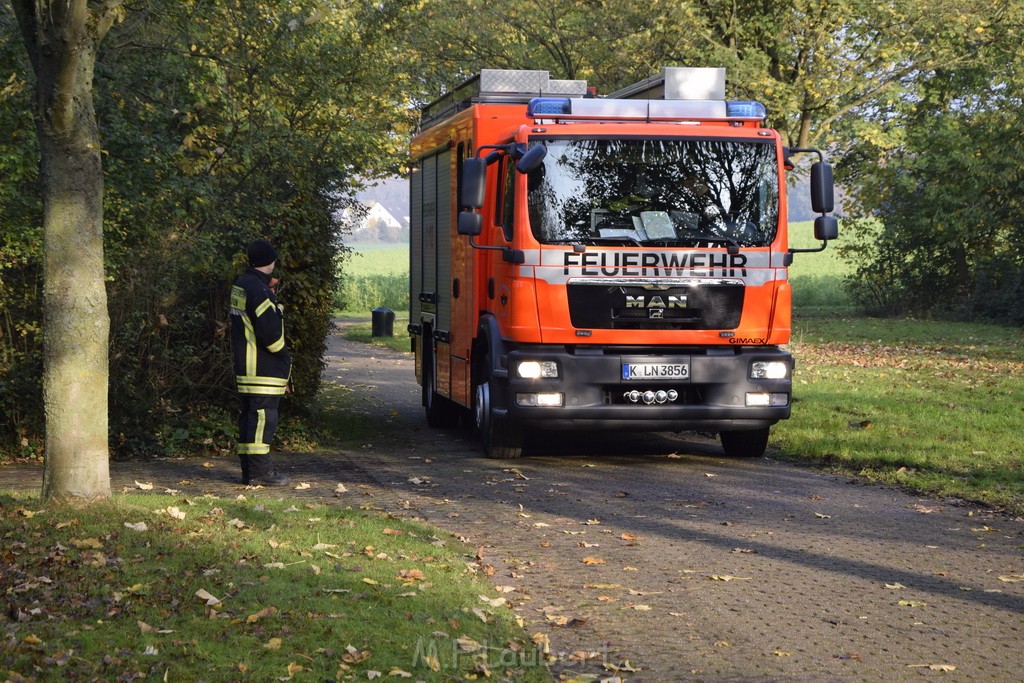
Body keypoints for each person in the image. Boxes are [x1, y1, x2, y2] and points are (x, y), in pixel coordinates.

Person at [229, 239, 291, 486]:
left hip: (247, 365)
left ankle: (250, 471)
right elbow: (270, 334)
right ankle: (259, 474)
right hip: (263, 368)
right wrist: (283, 356)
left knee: (250, 419)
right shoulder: (259, 290)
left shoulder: (242, 284)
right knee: (263, 420)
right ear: (271, 261)